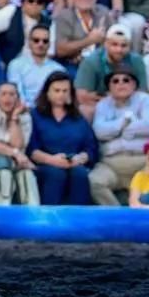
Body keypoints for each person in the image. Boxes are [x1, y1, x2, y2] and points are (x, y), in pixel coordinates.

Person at [89, 63, 149, 206]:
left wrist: (115, 136)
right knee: (94, 181)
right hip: (111, 164)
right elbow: (99, 132)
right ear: (109, 86)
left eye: (126, 80)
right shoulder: (103, 104)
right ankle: (116, 218)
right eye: (115, 81)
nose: (121, 84)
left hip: (142, 161)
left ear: (134, 84)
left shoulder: (145, 100)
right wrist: (123, 122)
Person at [28, 71, 96, 205]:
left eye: (65, 91)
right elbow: (31, 149)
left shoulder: (78, 118)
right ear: (47, 92)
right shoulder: (35, 116)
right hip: (45, 164)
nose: (61, 95)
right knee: (56, 174)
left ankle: (78, 220)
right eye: (57, 90)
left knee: (79, 174)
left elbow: (91, 147)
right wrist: (51, 160)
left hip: (74, 162)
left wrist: (80, 158)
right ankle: (49, 220)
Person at [0, 82, 37, 205]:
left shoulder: (25, 116)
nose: (8, 98)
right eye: (3, 94)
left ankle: (33, 216)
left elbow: (18, 145)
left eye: (12, 94)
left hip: (18, 163)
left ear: (18, 98)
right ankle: (1, 216)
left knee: (27, 175)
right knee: (4, 173)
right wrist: (15, 153)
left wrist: (14, 118)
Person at [74, 25, 148, 118]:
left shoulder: (136, 60)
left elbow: (142, 93)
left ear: (130, 46)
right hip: (99, 106)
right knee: (85, 110)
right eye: (114, 44)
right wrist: (115, 98)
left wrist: (115, 97)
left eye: (123, 45)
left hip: (130, 105)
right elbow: (82, 96)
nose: (119, 50)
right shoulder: (91, 61)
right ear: (106, 44)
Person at [52, 0, 118, 73]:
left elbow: (115, 41)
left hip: (101, 62)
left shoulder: (104, 12)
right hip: (72, 64)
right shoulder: (64, 16)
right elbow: (61, 50)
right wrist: (89, 40)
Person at [6, 24, 65, 106]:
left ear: (49, 44)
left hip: (49, 112)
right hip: (23, 112)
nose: (40, 44)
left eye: (45, 41)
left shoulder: (58, 69)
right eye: (36, 40)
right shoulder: (15, 65)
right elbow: (16, 94)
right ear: (29, 42)